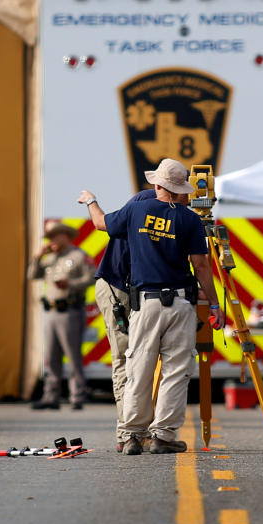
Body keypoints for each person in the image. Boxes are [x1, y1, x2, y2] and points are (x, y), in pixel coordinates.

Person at [78, 158, 223, 455]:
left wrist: (91, 201)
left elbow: (101, 224)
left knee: (139, 368)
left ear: (157, 185)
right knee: (175, 371)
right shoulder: (190, 220)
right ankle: (163, 437)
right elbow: (201, 265)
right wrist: (215, 304)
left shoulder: (136, 209)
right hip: (181, 303)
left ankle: (132, 436)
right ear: (181, 189)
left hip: (145, 303)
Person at [88, 188, 156, 451]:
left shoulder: (167, 207)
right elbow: (101, 223)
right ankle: (126, 432)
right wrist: (92, 200)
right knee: (125, 357)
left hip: (134, 288)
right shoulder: (145, 200)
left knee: (142, 359)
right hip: (118, 288)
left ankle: (139, 429)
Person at [27, 221, 93, 410]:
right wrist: (37, 258)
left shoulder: (78, 256)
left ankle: (77, 395)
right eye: (49, 237)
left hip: (70, 311)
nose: (51, 241)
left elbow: (91, 277)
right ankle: (51, 396)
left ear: (65, 236)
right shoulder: (49, 258)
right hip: (51, 312)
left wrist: (70, 284)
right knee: (52, 356)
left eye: (54, 236)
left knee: (72, 355)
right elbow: (32, 275)